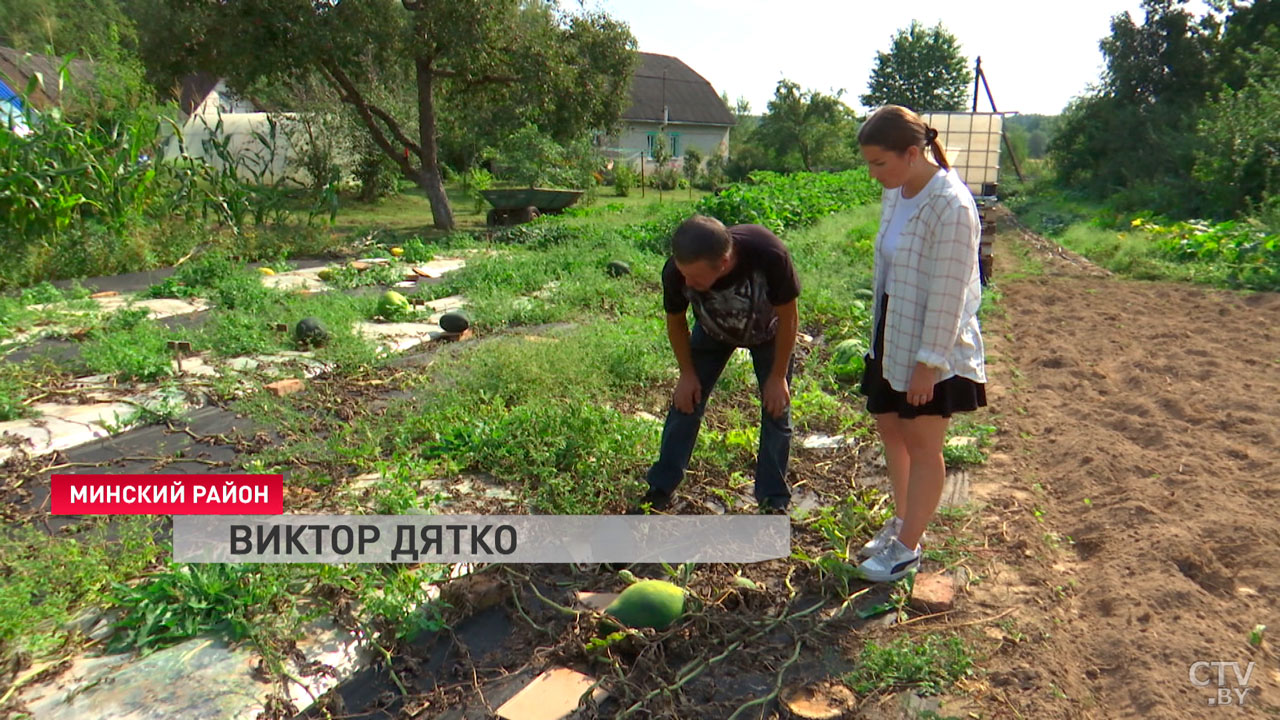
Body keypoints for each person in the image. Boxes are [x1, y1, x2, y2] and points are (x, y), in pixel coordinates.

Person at [852, 105, 988, 582]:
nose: (873, 174)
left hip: (934, 338)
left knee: (923, 442)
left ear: (912, 153)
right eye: (868, 163)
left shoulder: (950, 204)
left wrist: (929, 363)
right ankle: (903, 522)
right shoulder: (899, 190)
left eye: (879, 163)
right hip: (894, 326)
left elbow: (950, 291)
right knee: (891, 429)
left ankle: (907, 547)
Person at [630, 215, 801, 514]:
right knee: (685, 403)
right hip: (712, 332)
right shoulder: (676, 271)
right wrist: (686, 374)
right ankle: (660, 487)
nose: (687, 283)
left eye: (695, 279)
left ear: (723, 264)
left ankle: (773, 500)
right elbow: (676, 322)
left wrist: (777, 377)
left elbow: (789, 317)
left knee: (777, 409)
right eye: (683, 275)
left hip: (769, 333)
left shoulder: (769, 254)